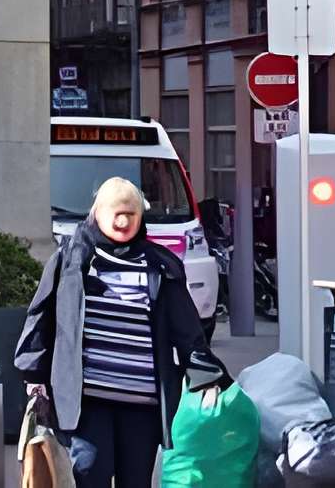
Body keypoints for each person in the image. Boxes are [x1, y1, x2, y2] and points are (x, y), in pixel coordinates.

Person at [16, 175, 208, 488]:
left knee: (136, 480)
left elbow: (187, 329)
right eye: (116, 214)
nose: (123, 222)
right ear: (98, 214)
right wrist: (33, 375)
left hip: (143, 403)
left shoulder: (161, 266)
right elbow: (42, 317)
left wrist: (206, 375)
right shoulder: (70, 261)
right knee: (89, 469)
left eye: (131, 214)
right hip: (88, 401)